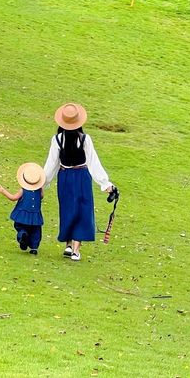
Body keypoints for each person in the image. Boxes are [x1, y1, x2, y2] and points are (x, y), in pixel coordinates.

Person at [43, 102, 113, 262]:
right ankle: (75, 249)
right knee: (82, 211)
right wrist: (105, 183)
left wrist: (41, 184)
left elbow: (51, 164)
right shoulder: (85, 139)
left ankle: (68, 244)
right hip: (81, 177)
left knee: (67, 209)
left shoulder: (57, 140)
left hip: (65, 177)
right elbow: (93, 162)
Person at [0, 162, 45, 255]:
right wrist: (40, 187)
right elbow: (42, 196)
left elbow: (13, 198)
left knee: (20, 227)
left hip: (22, 215)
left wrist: (3, 191)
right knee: (36, 231)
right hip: (35, 216)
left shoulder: (23, 190)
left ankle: (23, 235)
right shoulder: (39, 191)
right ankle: (34, 248)